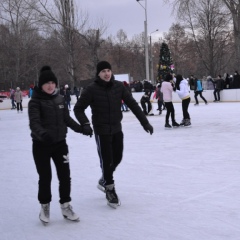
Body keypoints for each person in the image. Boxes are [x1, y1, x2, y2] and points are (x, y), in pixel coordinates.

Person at [74, 61, 153, 208]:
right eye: (103, 71)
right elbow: (78, 109)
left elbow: (132, 104)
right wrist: (85, 124)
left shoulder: (118, 86)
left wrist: (145, 122)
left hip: (117, 128)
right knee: (107, 160)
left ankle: (104, 179)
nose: (106, 73)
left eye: (108, 70)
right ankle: (110, 189)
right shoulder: (91, 89)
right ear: (98, 73)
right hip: (101, 130)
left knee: (117, 157)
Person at [28, 66, 83, 224]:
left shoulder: (59, 99)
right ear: (41, 84)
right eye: (47, 83)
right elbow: (34, 123)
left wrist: (81, 128)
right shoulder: (35, 102)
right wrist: (44, 135)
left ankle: (65, 205)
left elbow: (67, 119)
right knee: (45, 177)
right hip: (41, 145)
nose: (50, 85)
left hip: (60, 144)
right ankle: (45, 206)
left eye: (53, 82)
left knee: (65, 176)